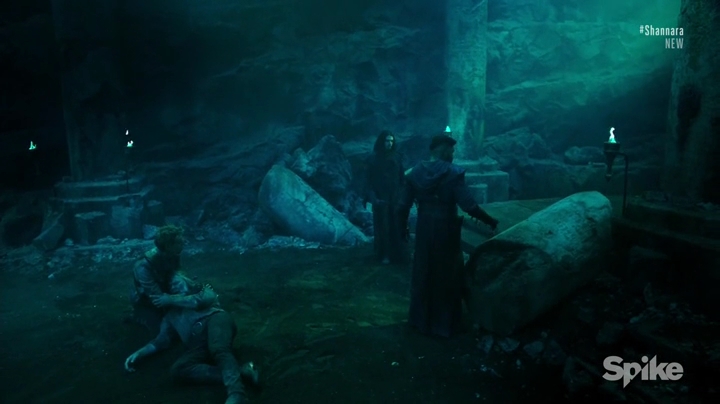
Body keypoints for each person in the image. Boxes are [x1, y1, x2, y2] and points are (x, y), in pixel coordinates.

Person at [397, 134, 499, 338]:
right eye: (451, 150)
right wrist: (490, 220)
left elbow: (402, 206)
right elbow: (468, 205)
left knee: (424, 270)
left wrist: (403, 228)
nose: (453, 153)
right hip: (446, 229)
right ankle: (444, 325)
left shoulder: (414, 173)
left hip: (425, 228)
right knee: (446, 274)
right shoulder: (454, 173)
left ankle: (420, 320)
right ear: (443, 150)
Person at [124, 275, 259, 404]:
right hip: (198, 343)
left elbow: (202, 297)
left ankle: (237, 394)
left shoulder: (180, 288)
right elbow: (160, 341)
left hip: (214, 320)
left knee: (218, 348)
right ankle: (242, 373)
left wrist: (170, 299)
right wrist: (140, 353)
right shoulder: (169, 317)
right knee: (179, 370)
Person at [129, 225, 205, 334]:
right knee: (161, 329)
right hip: (145, 299)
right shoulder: (144, 266)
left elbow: (177, 270)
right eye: (179, 242)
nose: (183, 243)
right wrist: (176, 300)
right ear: (169, 245)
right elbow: (155, 295)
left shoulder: (173, 253)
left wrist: (185, 282)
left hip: (165, 288)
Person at [363, 130, 407, 264]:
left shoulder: (397, 157)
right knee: (383, 227)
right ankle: (383, 254)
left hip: (395, 198)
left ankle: (397, 255)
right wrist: (373, 198)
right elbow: (368, 181)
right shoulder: (373, 159)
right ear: (382, 141)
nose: (389, 143)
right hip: (380, 198)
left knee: (396, 226)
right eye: (387, 141)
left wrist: (402, 196)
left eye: (391, 141)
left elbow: (402, 179)